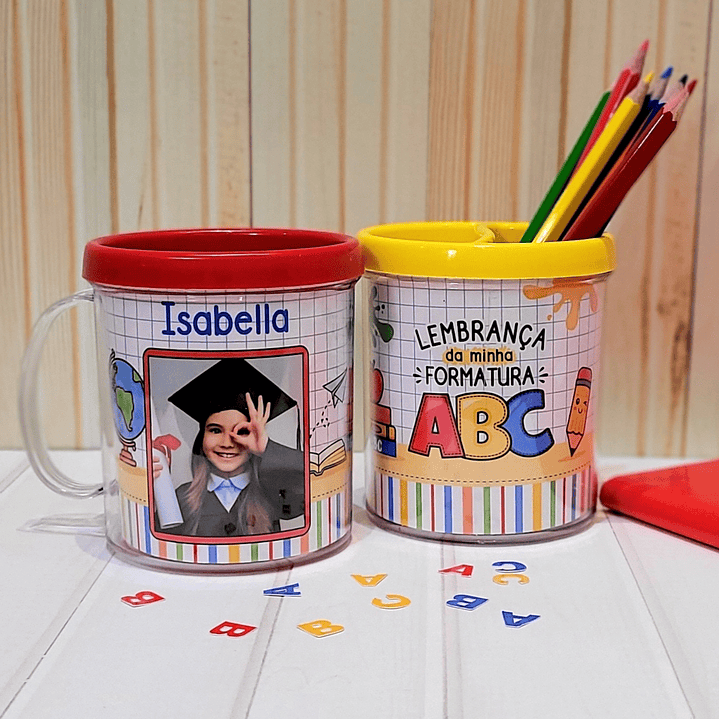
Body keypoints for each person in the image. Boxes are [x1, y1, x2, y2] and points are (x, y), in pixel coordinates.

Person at [152, 357, 305, 538]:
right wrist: (152, 490)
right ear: (202, 438)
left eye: (241, 431)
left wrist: (265, 447)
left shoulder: (272, 492)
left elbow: (312, 487)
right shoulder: (182, 498)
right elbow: (160, 540)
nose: (227, 443)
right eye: (215, 430)